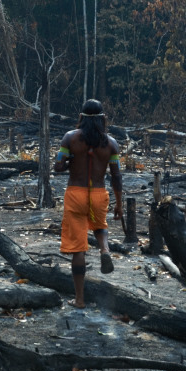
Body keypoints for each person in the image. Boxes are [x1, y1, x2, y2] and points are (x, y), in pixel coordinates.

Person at [54, 99, 123, 309]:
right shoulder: (111, 143)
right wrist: (119, 204)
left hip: (76, 193)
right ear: (103, 118)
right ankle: (104, 250)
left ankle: (80, 300)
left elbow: (58, 166)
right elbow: (116, 175)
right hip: (99, 193)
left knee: (78, 249)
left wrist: (71, 161)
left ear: (81, 117)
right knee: (100, 225)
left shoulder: (70, 138)